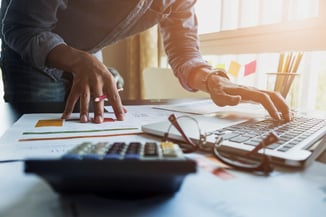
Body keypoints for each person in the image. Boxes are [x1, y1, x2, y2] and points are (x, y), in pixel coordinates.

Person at [0, 0, 291, 124]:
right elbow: (20, 27)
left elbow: (184, 49)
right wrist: (76, 58)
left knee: (85, 135)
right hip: (31, 51)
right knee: (35, 149)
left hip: (90, 53)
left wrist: (212, 79)